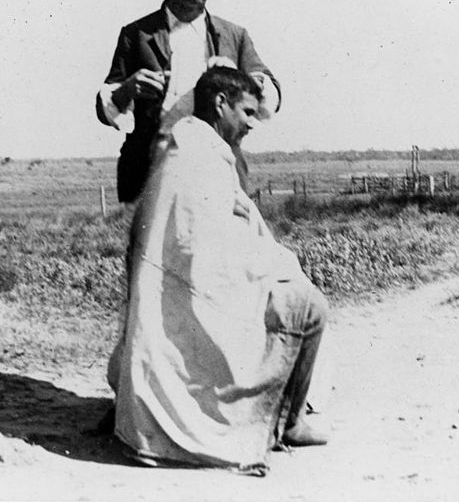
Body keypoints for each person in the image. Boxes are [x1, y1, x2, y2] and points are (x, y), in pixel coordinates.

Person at [107, 67, 328, 472]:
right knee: (309, 305)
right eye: (246, 112)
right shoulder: (193, 155)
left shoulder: (195, 147)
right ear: (220, 104)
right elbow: (204, 253)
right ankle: (288, 422)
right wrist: (268, 261)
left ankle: (285, 416)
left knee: (292, 285)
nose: (250, 123)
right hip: (198, 297)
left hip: (192, 293)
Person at [95, 0, 280, 203]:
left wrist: (244, 79)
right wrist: (127, 90)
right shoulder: (136, 35)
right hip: (151, 168)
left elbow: (270, 97)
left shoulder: (235, 36)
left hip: (220, 168)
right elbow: (105, 110)